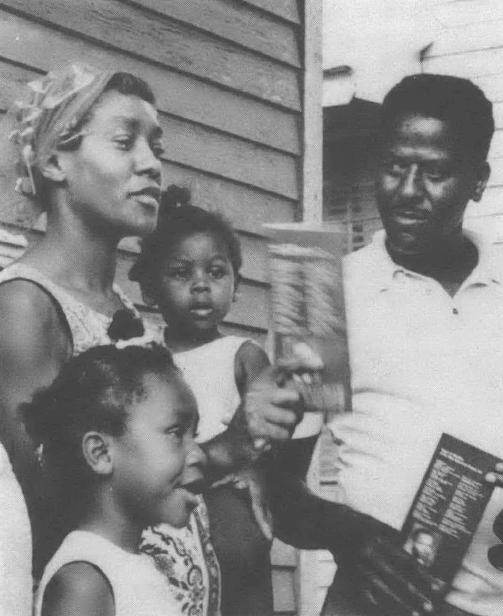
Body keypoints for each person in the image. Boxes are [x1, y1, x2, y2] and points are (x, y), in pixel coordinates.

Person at [274, 73, 503, 616]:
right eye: (394, 166)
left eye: (435, 172)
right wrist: (354, 536)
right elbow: (281, 492)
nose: (408, 191)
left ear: (477, 180)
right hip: (381, 605)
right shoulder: (322, 292)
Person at [0, 63, 305, 615]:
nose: (150, 164)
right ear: (54, 162)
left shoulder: (124, 309)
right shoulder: (26, 305)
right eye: (124, 142)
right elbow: (55, 502)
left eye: (155, 146)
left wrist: (248, 459)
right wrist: (227, 447)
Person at [130, 185, 293, 616]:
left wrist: (261, 470)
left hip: (228, 503)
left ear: (236, 285)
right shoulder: (144, 357)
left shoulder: (243, 354)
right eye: (182, 274)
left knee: (243, 588)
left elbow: (276, 421)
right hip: (167, 508)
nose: (201, 286)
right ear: (150, 290)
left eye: (216, 273)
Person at [27, 344, 203, 616]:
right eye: (176, 432)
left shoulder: (130, 564)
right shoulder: (84, 581)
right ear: (101, 453)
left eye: (196, 435)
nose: (198, 455)